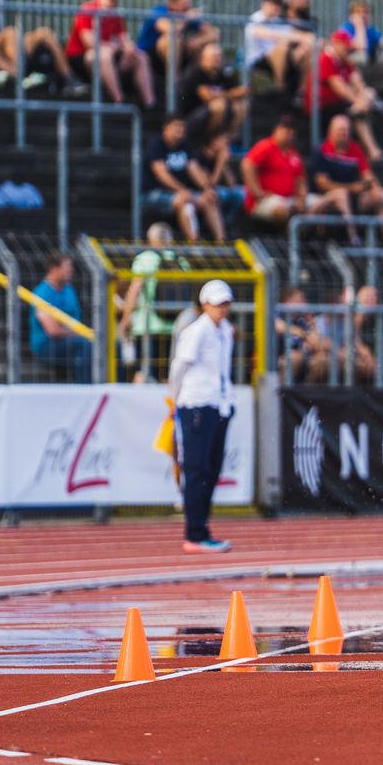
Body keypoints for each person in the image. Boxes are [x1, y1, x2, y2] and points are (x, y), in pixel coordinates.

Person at [168, 279, 238, 553]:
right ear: (205, 304)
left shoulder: (225, 332)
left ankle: (201, 528)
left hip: (218, 405)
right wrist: (175, 399)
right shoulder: (196, 332)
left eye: (225, 303)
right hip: (196, 404)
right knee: (197, 470)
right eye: (217, 303)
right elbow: (179, 367)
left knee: (211, 468)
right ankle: (195, 532)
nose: (222, 309)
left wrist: (228, 402)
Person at [67, 0, 155, 107]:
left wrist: (129, 48)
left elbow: (125, 39)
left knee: (140, 56)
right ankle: (119, 99)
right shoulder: (88, 9)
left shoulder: (115, 14)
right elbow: (89, 42)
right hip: (81, 57)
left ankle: (150, 103)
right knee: (104, 54)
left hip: (108, 58)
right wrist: (113, 46)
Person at [312, 113, 383, 243]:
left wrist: (374, 187)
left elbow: (367, 174)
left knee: (382, 195)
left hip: (354, 197)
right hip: (329, 198)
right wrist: (351, 188)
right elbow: (322, 183)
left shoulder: (355, 148)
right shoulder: (322, 150)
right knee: (341, 194)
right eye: (340, 130)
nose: (343, 134)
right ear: (331, 132)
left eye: (346, 131)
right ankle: (353, 237)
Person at [306, 29, 383, 160]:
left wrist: (365, 96)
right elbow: (340, 89)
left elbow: (358, 81)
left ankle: (373, 151)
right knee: (358, 113)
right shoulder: (326, 59)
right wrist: (359, 102)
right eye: (345, 46)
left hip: (339, 105)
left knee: (365, 99)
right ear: (335, 44)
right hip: (321, 109)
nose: (348, 50)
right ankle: (373, 151)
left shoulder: (343, 61)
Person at [116, 222, 180, 381]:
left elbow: (135, 288)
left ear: (150, 239)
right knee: (168, 375)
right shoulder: (180, 260)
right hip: (174, 325)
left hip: (148, 325)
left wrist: (126, 317)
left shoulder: (145, 258)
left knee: (143, 372)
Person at [144, 116, 216, 241]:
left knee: (210, 199)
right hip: (155, 192)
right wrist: (182, 190)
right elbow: (161, 174)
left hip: (182, 192)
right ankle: (194, 245)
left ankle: (221, 242)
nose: (180, 129)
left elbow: (195, 170)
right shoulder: (157, 145)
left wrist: (207, 188)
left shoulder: (185, 145)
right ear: (166, 128)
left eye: (182, 126)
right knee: (184, 202)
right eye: (176, 125)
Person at [30, 253, 92, 381]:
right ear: (54, 268)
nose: (71, 270)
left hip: (71, 339)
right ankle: (85, 389)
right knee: (84, 345)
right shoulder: (42, 292)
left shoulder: (69, 289)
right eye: (67, 267)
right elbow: (53, 331)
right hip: (48, 345)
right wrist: (80, 333)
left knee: (111, 346)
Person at [241, 116, 307, 228]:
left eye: (291, 130)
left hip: (289, 199)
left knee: (324, 203)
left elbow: (300, 180)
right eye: (284, 129)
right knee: (281, 209)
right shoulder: (266, 146)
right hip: (265, 201)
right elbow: (247, 165)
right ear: (275, 130)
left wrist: (301, 198)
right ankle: (288, 236)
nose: (288, 132)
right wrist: (257, 192)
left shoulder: (294, 154)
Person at [243, 0, 312, 92]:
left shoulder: (278, 20)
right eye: (272, 3)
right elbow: (266, 34)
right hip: (258, 63)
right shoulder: (255, 18)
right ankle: (280, 89)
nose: (275, 7)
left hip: (280, 61)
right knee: (283, 46)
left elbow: (296, 34)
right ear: (263, 4)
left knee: (307, 48)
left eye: (278, 4)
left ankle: (302, 91)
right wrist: (296, 37)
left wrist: (308, 38)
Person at [177, 39, 245, 128]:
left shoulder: (223, 74)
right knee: (218, 105)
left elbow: (241, 91)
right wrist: (231, 94)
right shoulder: (196, 74)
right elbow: (208, 97)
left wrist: (234, 93)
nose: (217, 59)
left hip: (216, 112)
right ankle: (211, 139)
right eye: (213, 56)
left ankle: (227, 137)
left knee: (240, 106)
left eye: (219, 56)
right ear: (203, 58)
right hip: (191, 117)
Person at [342, 0, 383, 87]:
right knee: (361, 56)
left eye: (365, 12)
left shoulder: (370, 30)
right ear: (351, 15)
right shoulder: (346, 29)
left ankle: (374, 91)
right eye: (358, 12)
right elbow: (361, 46)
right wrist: (359, 26)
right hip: (348, 68)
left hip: (367, 67)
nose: (362, 15)